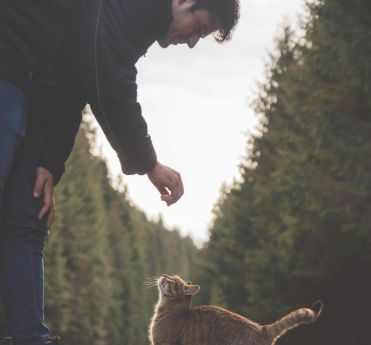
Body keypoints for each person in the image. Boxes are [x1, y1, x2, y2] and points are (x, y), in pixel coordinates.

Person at [0, 0, 240, 344]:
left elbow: (78, 83)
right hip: (7, 63)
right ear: (185, 1)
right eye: (199, 29)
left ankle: (28, 338)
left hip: (34, 94)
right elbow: (108, 77)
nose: (191, 42)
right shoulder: (135, 7)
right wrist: (150, 164)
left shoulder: (139, 26)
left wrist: (49, 162)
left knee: (30, 215)